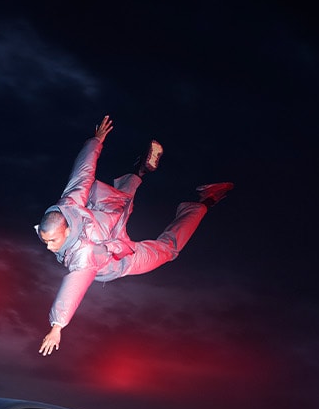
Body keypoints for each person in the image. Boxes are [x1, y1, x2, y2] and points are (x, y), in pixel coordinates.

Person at [35, 114, 231, 355]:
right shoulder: (69, 204)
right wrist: (95, 142)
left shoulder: (83, 255)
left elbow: (74, 286)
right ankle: (140, 169)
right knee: (120, 201)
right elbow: (81, 175)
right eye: (45, 241)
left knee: (168, 250)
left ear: (65, 228)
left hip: (120, 258)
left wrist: (57, 326)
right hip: (108, 220)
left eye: (53, 240)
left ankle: (204, 202)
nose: (49, 246)